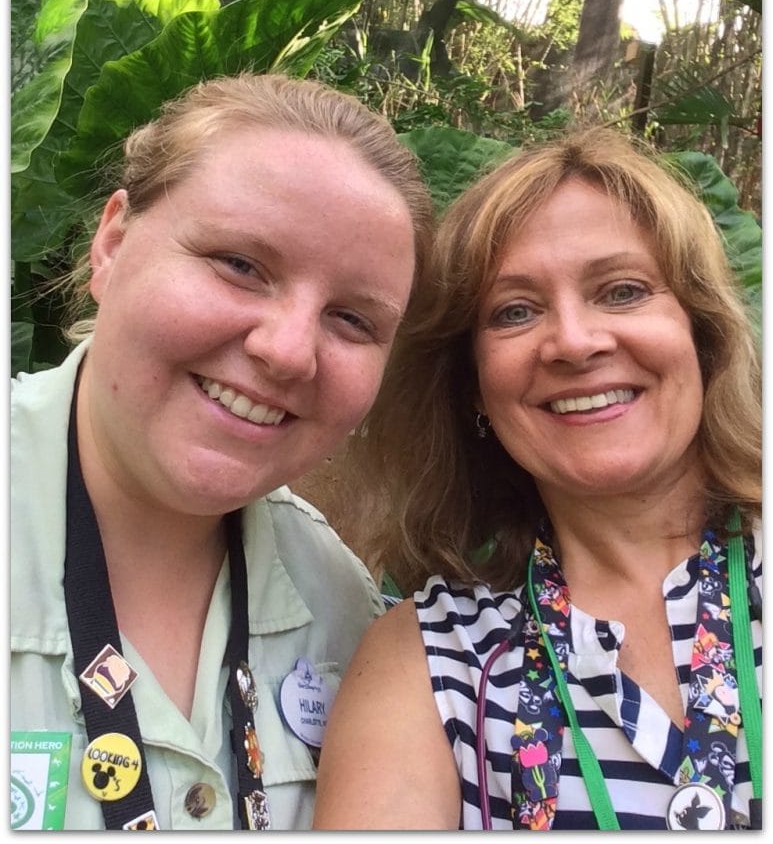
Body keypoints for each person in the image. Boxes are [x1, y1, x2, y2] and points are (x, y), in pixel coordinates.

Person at [10, 73, 434, 831]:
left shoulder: (338, 607)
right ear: (111, 244)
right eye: (240, 264)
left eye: (351, 319)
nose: (286, 352)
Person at [312, 129, 762, 831]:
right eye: (514, 311)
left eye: (621, 291)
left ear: (701, 336)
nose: (575, 342)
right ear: (471, 388)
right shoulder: (436, 661)